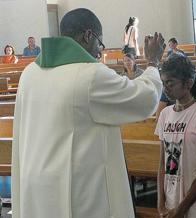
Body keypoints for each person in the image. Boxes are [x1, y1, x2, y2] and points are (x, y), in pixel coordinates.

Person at [11, 8, 165, 218]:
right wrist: (154, 62)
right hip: (77, 193)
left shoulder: (29, 74)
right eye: (99, 43)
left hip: (35, 186)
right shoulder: (90, 75)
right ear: (88, 35)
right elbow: (144, 98)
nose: (99, 52)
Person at [155, 54, 196, 218]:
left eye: (170, 83)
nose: (165, 88)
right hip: (172, 202)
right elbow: (163, 164)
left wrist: (182, 208)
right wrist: (161, 203)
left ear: (189, 83)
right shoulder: (165, 115)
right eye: (163, 83)